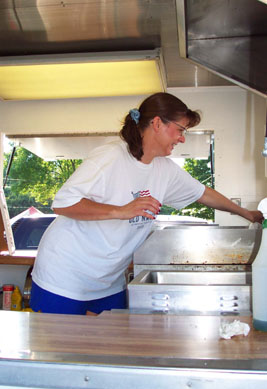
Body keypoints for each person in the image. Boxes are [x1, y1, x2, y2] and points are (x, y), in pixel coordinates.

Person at [30, 92, 263, 315]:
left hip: (108, 281)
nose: (182, 138)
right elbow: (63, 204)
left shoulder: (164, 169)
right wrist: (120, 211)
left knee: (108, 353)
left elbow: (203, 194)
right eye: (180, 130)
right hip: (64, 275)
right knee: (63, 354)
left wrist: (246, 214)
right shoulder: (110, 156)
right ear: (158, 123)